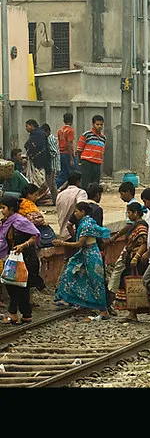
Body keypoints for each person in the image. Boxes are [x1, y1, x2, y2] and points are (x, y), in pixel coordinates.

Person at [52, 201, 112, 319]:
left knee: (96, 282)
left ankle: (103, 310)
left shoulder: (86, 225)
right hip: (85, 254)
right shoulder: (85, 222)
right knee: (72, 273)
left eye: (76, 211)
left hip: (91, 255)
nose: (75, 214)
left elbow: (79, 243)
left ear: (82, 212)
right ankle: (76, 300)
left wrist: (61, 243)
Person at [114, 201, 150, 323]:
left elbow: (144, 242)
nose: (128, 215)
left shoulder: (141, 226)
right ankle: (132, 312)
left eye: (129, 212)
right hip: (132, 258)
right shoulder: (136, 225)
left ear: (136, 213)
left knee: (135, 284)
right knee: (130, 284)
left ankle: (136, 310)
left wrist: (136, 257)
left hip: (136, 260)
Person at [0, 196, 41, 324]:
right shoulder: (6, 222)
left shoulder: (20, 221)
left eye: (3, 208)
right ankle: (25, 315)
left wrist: (23, 245)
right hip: (12, 259)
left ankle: (14, 314)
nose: (2, 211)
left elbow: (35, 236)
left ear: (11, 209)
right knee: (15, 286)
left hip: (26, 259)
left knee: (18, 286)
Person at [76, 115, 105, 187]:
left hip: (97, 164)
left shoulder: (103, 138)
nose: (99, 126)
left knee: (95, 185)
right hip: (87, 163)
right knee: (86, 184)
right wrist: (82, 161)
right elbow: (79, 150)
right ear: (93, 124)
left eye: (101, 125)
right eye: (97, 124)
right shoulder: (86, 135)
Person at [24, 119, 50, 199]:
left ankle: (41, 198)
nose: (26, 128)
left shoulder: (38, 134)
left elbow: (33, 146)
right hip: (37, 161)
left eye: (27, 126)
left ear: (32, 125)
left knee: (40, 181)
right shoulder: (36, 134)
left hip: (39, 162)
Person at [56, 171, 87, 238]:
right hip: (74, 232)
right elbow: (81, 208)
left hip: (63, 232)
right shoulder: (81, 193)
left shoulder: (60, 195)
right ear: (78, 181)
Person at [56, 113, 77, 189]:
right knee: (74, 173)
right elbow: (68, 144)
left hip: (61, 153)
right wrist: (71, 158)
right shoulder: (70, 131)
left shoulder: (60, 130)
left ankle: (55, 187)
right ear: (71, 120)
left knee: (64, 172)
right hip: (68, 154)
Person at [41, 123, 60, 203]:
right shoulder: (51, 138)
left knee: (51, 184)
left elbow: (54, 152)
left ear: (47, 131)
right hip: (53, 164)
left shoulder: (50, 139)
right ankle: (55, 200)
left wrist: (46, 157)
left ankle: (55, 200)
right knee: (52, 184)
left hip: (52, 164)